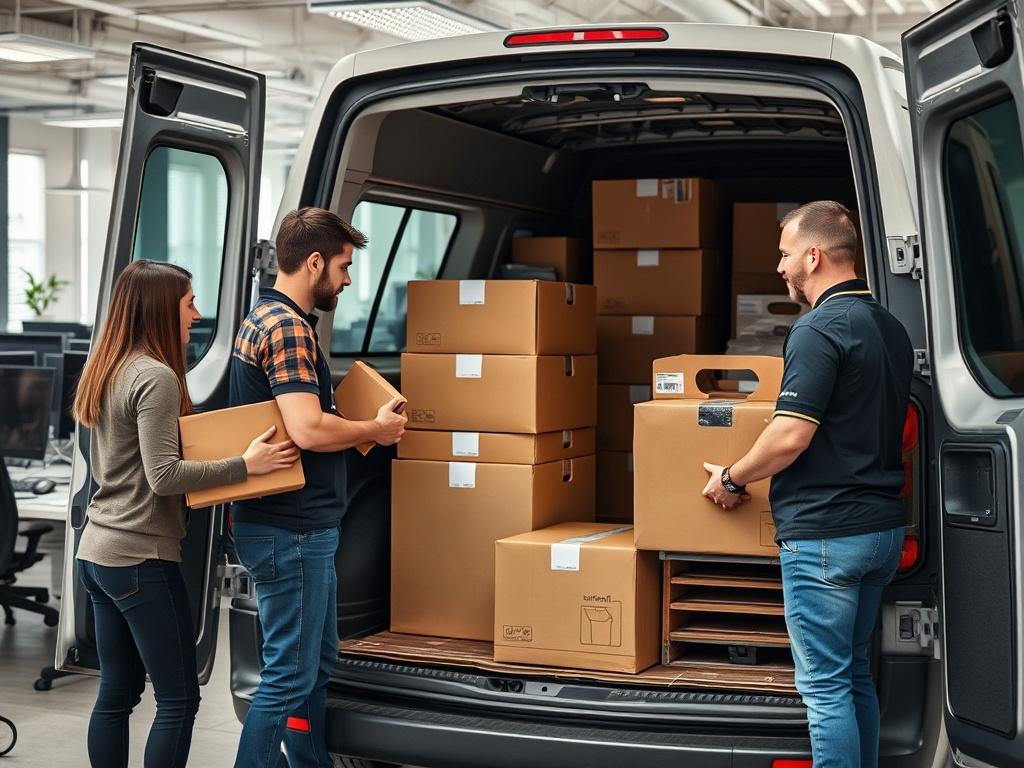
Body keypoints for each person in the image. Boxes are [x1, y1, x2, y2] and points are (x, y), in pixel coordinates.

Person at [702, 201, 913, 768]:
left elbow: (791, 434)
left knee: (824, 688)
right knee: (853, 677)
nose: (779, 268)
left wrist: (730, 476)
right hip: (881, 532)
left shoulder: (819, 328)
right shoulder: (889, 328)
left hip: (827, 536)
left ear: (814, 256)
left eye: (785, 254)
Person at [74, 259, 300, 768]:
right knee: (178, 699)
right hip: (138, 557)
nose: (197, 314)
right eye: (189, 303)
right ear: (160, 309)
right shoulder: (153, 376)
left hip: (97, 553)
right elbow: (165, 476)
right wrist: (247, 465)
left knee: (116, 695)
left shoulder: (106, 365)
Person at [229, 207, 407, 768]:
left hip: (292, 526)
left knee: (312, 668)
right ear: (314, 263)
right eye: (343, 266)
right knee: (288, 677)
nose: (348, 279)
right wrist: (375, 431)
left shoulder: (262, 317)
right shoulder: (288, 328)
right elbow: (306, 429)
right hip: (293, 529)